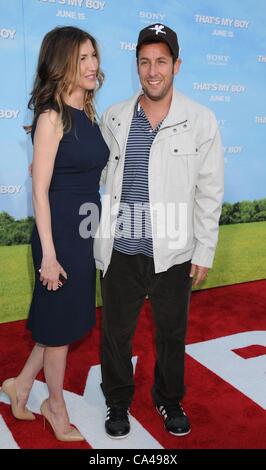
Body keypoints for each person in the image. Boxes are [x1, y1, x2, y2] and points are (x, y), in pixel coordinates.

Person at [94, 23, 224, 438]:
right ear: (136, 66)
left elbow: (209, 191)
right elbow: (94, 171)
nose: (153, 71)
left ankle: (169, 400)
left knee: (171, 335)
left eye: (162, 62)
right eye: (145, 62)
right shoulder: (114, 115)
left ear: (177, 65)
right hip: (120, 250)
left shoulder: (200, 120)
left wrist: (204, 250)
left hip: (174, 252)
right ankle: (117, 402)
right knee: (116, 336)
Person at [1, 26, 109, 442]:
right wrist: (49, 254)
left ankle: (21, 385)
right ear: (62, 62)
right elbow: (40, 190)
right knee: (60, 330)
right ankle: (55, 404)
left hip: (82, 233)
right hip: (58, 236)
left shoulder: (88, 112)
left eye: (94, 56)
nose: (93, 65)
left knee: (58, 323)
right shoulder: (51, 117)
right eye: (82, 58)